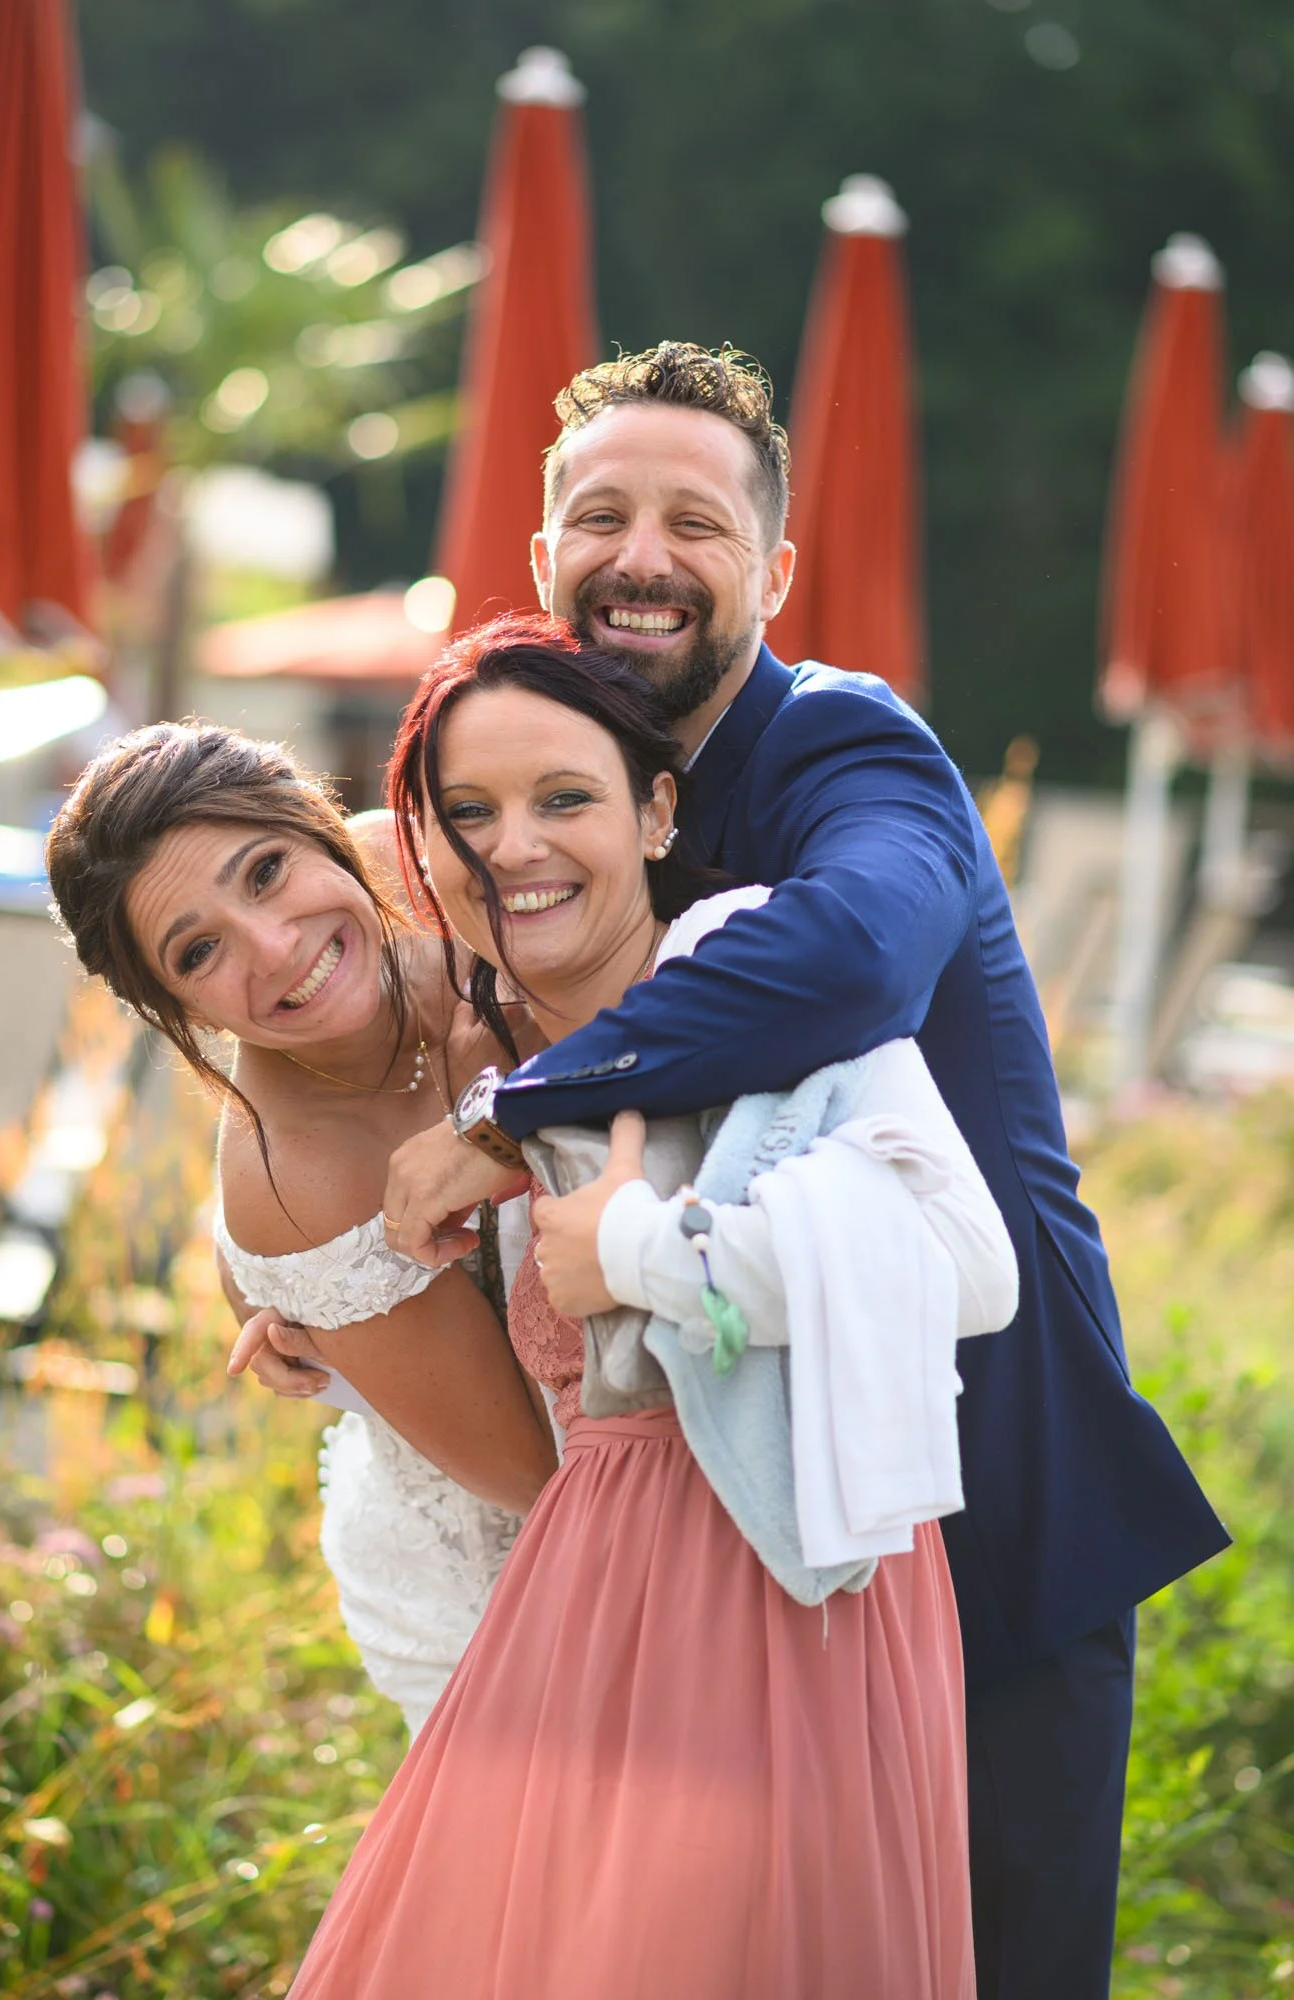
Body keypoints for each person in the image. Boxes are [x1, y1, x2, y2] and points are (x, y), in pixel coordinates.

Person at [380, 343, 1230, 2000]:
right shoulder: (557, 812)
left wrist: (501, 1120)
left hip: (976, 1506)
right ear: (542, 560)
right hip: (719, 1583)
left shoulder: (847, 748)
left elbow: (849, 960)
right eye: (598, 514)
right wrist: (328, 1261)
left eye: (691, 522)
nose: (638, 555)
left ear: (768, 572)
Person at [288, 615, 1019, 2000]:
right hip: (587, 1593)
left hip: (788, 1583)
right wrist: (318, 1330)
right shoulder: (478, 1047)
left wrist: (653, 1255)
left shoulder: (759, 965)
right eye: (470, 812)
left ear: (657, 806)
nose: (516, 845)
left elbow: (969, 1266)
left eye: (564, 797)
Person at [44, 723, 557, 1733]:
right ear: (175, 1006)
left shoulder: (405, 859)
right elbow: (537, 1475)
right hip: (511, 1574)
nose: (275, 945)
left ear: (320, 827)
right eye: (200, 950)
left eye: (268, 869)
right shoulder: (302, 1176)